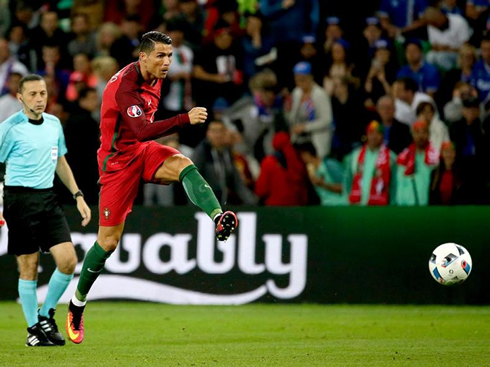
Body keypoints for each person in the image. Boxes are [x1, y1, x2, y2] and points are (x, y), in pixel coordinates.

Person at [66, 31, 238, 344]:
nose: (167, 62)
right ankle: (77, 305)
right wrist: (184, 119)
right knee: (107, 243)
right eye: (160, 56)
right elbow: (142, 129)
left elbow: (144, 135)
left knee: (183, 164)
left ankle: (217, 217)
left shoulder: (155, 78)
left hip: (141, 152)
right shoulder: (125, 87)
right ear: (142, 56)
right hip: (117, 163)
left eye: (170, 56)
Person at [0, 74, 91, 346]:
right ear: (20, 98)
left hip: (48, 199)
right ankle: (33, 331)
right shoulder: (9, 128)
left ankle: (45, 315)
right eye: (33, 95)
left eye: (43, 94)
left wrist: (77, 194)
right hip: (18, 199)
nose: (39, 99)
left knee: (68, 261)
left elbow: (60, 161)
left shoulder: (53, 124)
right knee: (29, 267)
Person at [344, 121, 397, 206]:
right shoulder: (354, 156)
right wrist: (347, 202)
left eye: (378, 133)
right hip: (357, 206)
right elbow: (347, 182)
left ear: (382, 136)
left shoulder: (391, 157)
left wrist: (392, 206)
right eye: (371, 133)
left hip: (380, 208)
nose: (374, 136)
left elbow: (394, 186)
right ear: (367, 134)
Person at [396, 120, 440, 206]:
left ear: (428, 135)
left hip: (428, 204)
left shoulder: (435, 157)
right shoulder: (404, 157)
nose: (421, 136)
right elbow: (400, 183)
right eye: (417, 132)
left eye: (424, 132)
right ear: (413, 135)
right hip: (407, 204)